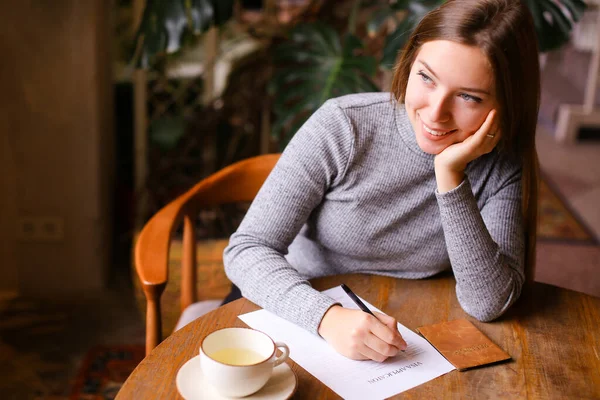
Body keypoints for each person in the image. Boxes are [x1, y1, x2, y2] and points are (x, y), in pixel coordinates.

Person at [223, 0, 540, 363]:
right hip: (294, 308)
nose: (435, 113)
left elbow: (488, 302)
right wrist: (326, 318)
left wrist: (450, 178)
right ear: (409, 64)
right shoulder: (344, 126)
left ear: (507, 103)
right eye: (426, 78)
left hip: (400, 333)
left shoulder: (501, 163)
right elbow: (246, 249)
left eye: (468, 96)